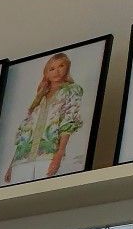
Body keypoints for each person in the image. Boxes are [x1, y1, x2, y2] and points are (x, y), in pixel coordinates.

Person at [4, 52, 83, 183]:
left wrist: (59, 154)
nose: (56, 71)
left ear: (67, 68)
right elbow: (25, 133)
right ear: (46, 72)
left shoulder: (71, 90)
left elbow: (68, 122)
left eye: (61, 66)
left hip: (48, 157)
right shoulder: (39, 98)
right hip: (22, 160)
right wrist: (11, 165)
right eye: (52, 69)